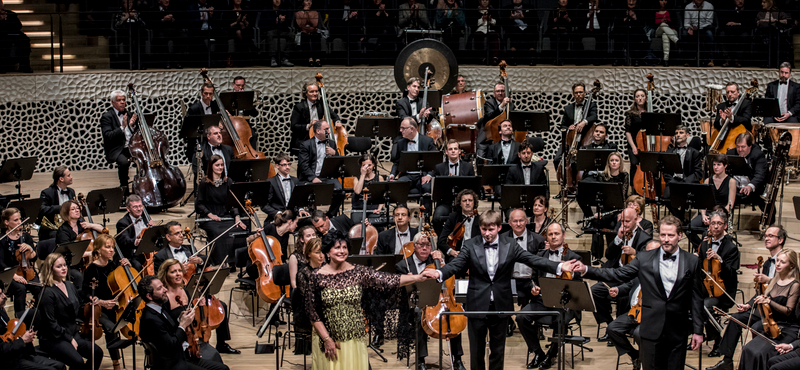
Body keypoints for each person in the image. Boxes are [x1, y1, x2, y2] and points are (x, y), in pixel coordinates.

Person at [421, 210, 576, 370]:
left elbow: (533, 259)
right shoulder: (470, 244)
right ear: (480, 227)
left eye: (491, 229)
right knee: (476, 352)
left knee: (497, 352)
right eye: (484, 229)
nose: (487, 234)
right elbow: (456, 265)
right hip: (477, 304)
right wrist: (439, 272)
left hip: (501, 305)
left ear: (499, 228)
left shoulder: (510, 244)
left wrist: (559, 266)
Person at [572, 216, 704, 370]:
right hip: (651, 329)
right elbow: (617, 274)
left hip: (677, 330)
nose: (666, 239)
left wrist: (698, 331)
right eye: (663, 235)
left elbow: (697, 298)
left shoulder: (692, 261)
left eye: (671, 235)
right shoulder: (644, 258)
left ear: (680, 236)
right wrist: (587, 269)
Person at [306, 237, 426, 369]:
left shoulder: (358, 272)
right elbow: (312, 313)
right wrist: (327, 339)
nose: (342, 251)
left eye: (344, 247)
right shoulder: (316, 277)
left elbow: (388, 279)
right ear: (327, 252)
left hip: (354, 339)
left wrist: (417, 277)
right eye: (337, 247)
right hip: (329, 338)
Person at [706, 248, 798, 370]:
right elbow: (764, 297)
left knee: (759, 352)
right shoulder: (775, 280)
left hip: (784, 328)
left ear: (791, 266)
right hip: (771, 325)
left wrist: (769, 301)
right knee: (748, 349)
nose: (778, 264)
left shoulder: (795, 285)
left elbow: (788, 311)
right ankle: (726, 360)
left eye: (783, 262)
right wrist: (752, 303)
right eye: (778, 261)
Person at [517, 222, 583, 369]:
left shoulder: (574, 257)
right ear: (546, 237)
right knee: (521, 317)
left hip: (565, 302)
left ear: (563, 235)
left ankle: (551, 355)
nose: (553, 237)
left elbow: (578, 286)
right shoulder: (540, 256)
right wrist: (533, 288)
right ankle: (538, 352)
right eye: (550, 234)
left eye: (557, 234)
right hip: (542, 299)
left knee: (561, 320)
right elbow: (531, 279)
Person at [395, 232, 465, 370]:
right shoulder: (403, 265)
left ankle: (457, 359)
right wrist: (410, 279)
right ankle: (421, 360)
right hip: (413, 304)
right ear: (414, 246)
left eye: (428, 245)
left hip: (438, 301)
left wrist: (442, 262)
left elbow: (447, 278)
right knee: (419, 313)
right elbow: (398, 291)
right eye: (421, 245)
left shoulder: (435, 262)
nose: (425, 248)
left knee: (453, 316)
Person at [137, 274, 229, 370]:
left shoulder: (160, 308)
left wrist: (180, 319)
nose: (165, 289)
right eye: (160, 288)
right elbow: (172, 344)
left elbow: (169, 330)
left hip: (182, 357)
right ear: (149, 296)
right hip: (171, 364)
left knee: (223, 368)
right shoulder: (150, 319)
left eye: (163, 286)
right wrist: (182, 325)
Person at [157, 258, 239, 357]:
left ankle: (220, 344)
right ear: (166, 274)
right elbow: (166, 326)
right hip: (179, 340)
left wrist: (199, 306)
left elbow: (190, 312)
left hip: (192, 336)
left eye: (179, 270)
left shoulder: (184, 291)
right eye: (173, 272)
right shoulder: (164, 298)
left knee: (215, 356)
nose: (178, 274)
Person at [37, 253, 104, 370]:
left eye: (64, 265)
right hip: (54, 338)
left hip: (72, 333)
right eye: (59, 266)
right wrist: (69, 338)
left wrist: (95, 304)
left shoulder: (69, 285)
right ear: (50, 269)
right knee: (78, 362)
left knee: (97, 353)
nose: (64, 268)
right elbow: (51, 324)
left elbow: (78, 309)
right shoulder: (47, 293)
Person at [604, 240, 662, 369]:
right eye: (648, 252)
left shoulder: (663, 272)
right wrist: (618, 290)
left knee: (638, 334)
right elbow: (631, 285)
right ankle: (635, 355)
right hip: (633, 311)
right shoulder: (640, 268)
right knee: (612, 329)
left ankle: (647, 362)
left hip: (651, 315)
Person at [81, 234, 132, 370]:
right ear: (98, 250)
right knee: (111, 328)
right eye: (107, 247)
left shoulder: (114, 265)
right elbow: (85, 293)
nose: (111, 250)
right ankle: (116, 363)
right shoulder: (92, 269)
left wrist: (127, 268)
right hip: (99, 309)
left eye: (113, 247)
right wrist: (101, 302)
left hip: (114, 305)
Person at [696, 208, 740, 357]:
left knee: (705, 306)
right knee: (688, 299)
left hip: (722, 291)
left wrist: (719, 260)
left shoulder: (731, 248)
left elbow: (731, 273)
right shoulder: (705, 241)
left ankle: (717, 341)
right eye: (713, 223)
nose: (715, 227)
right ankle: (696, 334)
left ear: (725, 226)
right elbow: (700, 265)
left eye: (719, 224)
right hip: (706, 285)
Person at [0, 282, 65, 370]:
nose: (4, 296)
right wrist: (22, 340)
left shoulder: (1, 312)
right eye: (0, 294)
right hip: (8, 362)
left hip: (18, 354)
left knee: (60, 366)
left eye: (3, 293)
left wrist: (23, 336)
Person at [196, 155, 247, 265]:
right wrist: (210, 214)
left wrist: (237, 217)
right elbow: (199, 204)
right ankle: (221, 263)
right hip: (209, 217)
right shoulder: (204, 183)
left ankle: (234, 261)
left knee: (238, 229)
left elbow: (233, 202)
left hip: (225, 215)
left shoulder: (228, 181)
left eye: (222, 165)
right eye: (217, 165)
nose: (220, 167)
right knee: (219, 232)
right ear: (211, 166)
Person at [579, 152, 629, 262]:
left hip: (618, 210)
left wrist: (622, 212)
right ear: (608, 163)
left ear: (620, 162)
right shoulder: (603, 176)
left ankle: (614, 255)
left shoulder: (624, 175)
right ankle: (597, 256)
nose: (614, 162)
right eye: (612, 160)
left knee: (617, 224)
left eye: (616, 160)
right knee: (596, 223)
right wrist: (599, 211)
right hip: (605, 210)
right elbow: (601, 196)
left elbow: (624, 196)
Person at [554, 82, 598, 197]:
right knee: (557, 159)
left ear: (584, 93)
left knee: (580, 162)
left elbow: (594, 117)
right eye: (576, 92)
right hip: (570, 141)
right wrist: (568, 128)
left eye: (581, 92)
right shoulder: (568, 108)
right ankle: (564, 187)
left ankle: (580, 189)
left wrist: (584, 122)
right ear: (573, 94)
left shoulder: (591, 105)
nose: (579, 94)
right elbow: (562, 125)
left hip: (584, 140)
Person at [297, 120, 346, 216]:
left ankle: (331, 214)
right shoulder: (306, 145)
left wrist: (334, 153)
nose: (329, 131)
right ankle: (312, 214)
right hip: (311, 176)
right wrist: (313, 178)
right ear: (318, 131)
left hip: (326, 176)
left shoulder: (331, 143)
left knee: (341, 191)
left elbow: (338, 163)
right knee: (310, 192)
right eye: (326, 129)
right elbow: (303, 166)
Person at [687, 154, 737, 249]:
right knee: (689, 228)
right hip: (709, 213)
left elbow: (729, 205)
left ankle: (707, 249)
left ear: (725, 166)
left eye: (719, 165)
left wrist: (715, 218)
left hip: (722, 214)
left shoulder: (731, 181)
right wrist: (703, 215)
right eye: (714, 165)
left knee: (709, 231)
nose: (716, 167)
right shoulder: (707, 180)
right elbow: (703, 202)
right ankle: (701, 248)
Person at [388, 117, 437, 210]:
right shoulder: (400, 143)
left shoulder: (427, 141)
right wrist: (392, 174)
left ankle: (426, 218)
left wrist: (429, 175)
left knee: (427, 187)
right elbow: (397, 162)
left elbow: (435, 162)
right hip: (407, 175)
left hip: (423, 175)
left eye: (403, 128)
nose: (400, 130)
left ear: (412, 129)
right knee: (399, 185)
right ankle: (403, 214)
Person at [1, 207, 41, 319]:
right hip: (9, 274)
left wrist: (31, 249)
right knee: (20, 288)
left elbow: (33, 258)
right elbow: (1, 264)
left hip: (27, 270)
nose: (19, 222)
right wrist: (14, 276)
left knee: (39, 288)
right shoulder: (2, 239)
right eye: (15, 220)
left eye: (20, 219)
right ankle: (20, 320)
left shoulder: (26, 236)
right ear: (6, 222)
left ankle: (37, 317)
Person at [503, 209, 546, 311]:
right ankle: (508, 322)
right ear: (509, 223)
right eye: (515, 221)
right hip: (510, 279)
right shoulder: (502, 239)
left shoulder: (539, 239)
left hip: (531, 280)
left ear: (526, 221)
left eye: (521, 220)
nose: (518, 224)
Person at [428, 139, 475, 229]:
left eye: (455, 148)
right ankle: (442, 240)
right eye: (450, 149)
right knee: (436, 218)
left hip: (463, 202)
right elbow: (437, 189)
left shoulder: (468, 167)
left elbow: (472, 187)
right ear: (446, 152)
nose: (453, 151)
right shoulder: (439, 167)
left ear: (459, 151)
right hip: (446, 202)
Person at [291, 237, 325, 355]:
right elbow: (309, 300)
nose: (321, 256)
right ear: (309, 254)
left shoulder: (328, 269)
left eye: (323, 252)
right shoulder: (303, 274)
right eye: (317, 252)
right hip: (308, 313)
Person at [100, 90, 137, 193]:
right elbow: (107, 136)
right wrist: (122, 127)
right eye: (119, 100)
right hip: (117, 149)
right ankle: (124, 189)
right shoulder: (107, 117)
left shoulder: (129, 114)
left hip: (130, 147)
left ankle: (140, 186)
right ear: (113, 102)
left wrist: (131, 126)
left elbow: (136, 134)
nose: (122, 102)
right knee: (124, 163)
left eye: (124, 100)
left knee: (144, 159)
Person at [663, 125, 704, 219]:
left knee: (684, 197)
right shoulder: (669, 152)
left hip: (688, 183)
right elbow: (666, 173)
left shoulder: (695, 153)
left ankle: (679, 220)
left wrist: (685, 182)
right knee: (666, 197)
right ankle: (681, 220)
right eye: (676, 133)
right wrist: (673, 182)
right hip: (673, 182)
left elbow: (698, 173)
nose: (678, 135)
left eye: (681, 133)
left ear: (687, 135)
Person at [289, 81, 343, 154]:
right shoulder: (299, 107)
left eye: (316, 91)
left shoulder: (322, 104)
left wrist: (338, 121)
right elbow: (294, 126)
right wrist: (309, 125)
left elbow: (334, 116)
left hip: (321, 137)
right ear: (306, 94)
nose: (315, 94)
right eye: (311, 92)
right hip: (304, 139)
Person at [726, 132, 769, 219]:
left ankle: (768, 226)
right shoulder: (730, 153)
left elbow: (760, 174)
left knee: (768, 204)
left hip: (753, 191)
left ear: (750, 146)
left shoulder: (758, 155)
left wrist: (750, 186)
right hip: (735, 189)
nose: (740, 149)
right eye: (738, 146)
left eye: (743, 147)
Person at [261, 152, 308, 222]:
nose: (288, 167)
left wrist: (301, 209)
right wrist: (277, 213)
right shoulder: (271, 182)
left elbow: (299, 200)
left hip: (293, 216)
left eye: (289, 164)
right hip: (278, 217)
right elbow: (264, 205)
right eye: (284, 165)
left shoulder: (295, 180)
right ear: (277, 166)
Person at [438, 189, 481, 263]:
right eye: (464, 201)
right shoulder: (453, 217)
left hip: (475, 255)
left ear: (474, 203)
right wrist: (452, 251)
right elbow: (441, 241)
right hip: (457, 254)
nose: (467, 203)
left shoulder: (480, 220)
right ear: (460, 203)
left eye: (470, 200)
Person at [183, 83, 220, 164]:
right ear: (201, 93)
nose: (208, 96)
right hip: (199, 140)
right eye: (205, 93)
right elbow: (189, 130)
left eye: (210, 94)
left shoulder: (215, 106)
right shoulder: (194, 108)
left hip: (213, 140)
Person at [115, 194, 154, 269]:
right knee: (137, 265)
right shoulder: (123, 223)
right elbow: (124, 240)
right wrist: (136, 242)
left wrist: (154, 229)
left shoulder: (145, 217)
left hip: (147, 252)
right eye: (135, 207)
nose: (139, 209)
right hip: (133, 254)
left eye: (140, 206)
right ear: (128, 209)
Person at [37, 166, 76, 240]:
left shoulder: (71, 191)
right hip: (52, 228)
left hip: (68, 225)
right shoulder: (47, 192)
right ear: (61, 179)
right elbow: (42, 209)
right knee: (58, 236)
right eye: (68, 175)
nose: (71, 177)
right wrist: (61, 208)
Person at [146, 0, 188, 69]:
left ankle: (176, 60)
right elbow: (151, 24)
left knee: (184, 37)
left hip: (174, 30)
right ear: (159, 1)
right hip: (161, 30)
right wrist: (163, 20)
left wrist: (173, 19)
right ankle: (166, 61)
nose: (167, 0)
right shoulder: (153, 10)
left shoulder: (173, 8)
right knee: (161, 38)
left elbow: (181, 21)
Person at [754, 0, 792, 68]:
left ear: (769, 3)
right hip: (763, 35)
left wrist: (777, 21)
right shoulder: (760, 13)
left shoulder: (778, 12)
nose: (762, 4)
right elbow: (758, 23)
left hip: (776, 34)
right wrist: (768, 22)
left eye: (764, 2)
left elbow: (787, 20)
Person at [478, 82, 512, 158]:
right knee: (482, 154)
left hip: (504, 134)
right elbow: (490, 116)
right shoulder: (489, 103)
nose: (500, 93)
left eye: (502, 91)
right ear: (494, 93)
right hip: (489, 135)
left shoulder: (510, 104)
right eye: (498, 91)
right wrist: (502, 105)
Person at [612, 0, 649, 67]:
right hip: (623, 32)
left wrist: (634, 18)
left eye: (633, 0)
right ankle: (618, 59)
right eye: (629, 0)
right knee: (618, 35)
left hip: (635, 33)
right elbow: (617, 25)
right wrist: (625, 19)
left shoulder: (640, 11)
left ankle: (636, 59)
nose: (631, 3)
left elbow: (642, 26)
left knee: (636, 35)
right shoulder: (621, 11)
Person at [351, 153, 384, 225]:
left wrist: (379, 209)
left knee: (376, 223)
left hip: (374, 209)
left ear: (373, 165)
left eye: (369, 165)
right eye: (364, 165)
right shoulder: (356, 179)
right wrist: (362, 175)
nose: (367, 168)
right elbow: (357, 191)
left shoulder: (379, 178)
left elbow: (382, 197)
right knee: (357, 223)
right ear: (361, 166)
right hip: (359, 209)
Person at [0, 0, 32, 73]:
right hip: (2, 36)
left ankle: (24, 66)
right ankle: (3, 67)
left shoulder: (10, 14)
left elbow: (18, 26)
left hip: (12, 35)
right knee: (4, 42)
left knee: (24, 40)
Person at [681, 0, 716, 67]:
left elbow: (709, 22)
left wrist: (699, 28)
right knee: (685, 34)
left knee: (709, 34)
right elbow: (686, 23)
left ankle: (710, 59)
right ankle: (688, 60)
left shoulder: (709, 6)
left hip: (704, 28)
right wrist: (690, 28)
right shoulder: (688, 7)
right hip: (692, 28)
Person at [219, 0, 253, 66]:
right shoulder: (228, 10)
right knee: (239, 32)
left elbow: (249, 24)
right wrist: (236, 22)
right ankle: (248, 54)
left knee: (242, 31)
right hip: (231, 31)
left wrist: (245, 21)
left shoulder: (245, 10)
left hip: (244, 31)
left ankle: (243, 57)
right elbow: (226, 25)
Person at [717, 0, 751, 68]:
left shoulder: (747, 11)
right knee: (722, 34)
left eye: (742, 0)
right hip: (729, 30)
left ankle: (737, 59)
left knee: (745, 36)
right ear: (734, 1)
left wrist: (737, 23)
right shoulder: (729, 10)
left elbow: (749, 23)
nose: (740, 2)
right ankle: (727, 58)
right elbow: (724, 22)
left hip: (742, 30)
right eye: (738, 0)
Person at [623, 89, 647, 185]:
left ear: (646, 98)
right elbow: (627, 132)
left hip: (647, 143)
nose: (640, 98)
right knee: (634, 164)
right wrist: (633, 146)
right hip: (633, 143)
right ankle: (633, 189)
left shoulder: (650, 112)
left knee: (647, 166)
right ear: (634, 99)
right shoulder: (630, 114)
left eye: (642, 96)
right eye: (637, 96)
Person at [261, 0, 294, 68]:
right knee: (269, 34)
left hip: (282, 30)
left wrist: (283, 21)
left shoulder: (284, 10)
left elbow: (288, 24)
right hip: (271, 30)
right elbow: (264, 25)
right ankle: (272, 58)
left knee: (291, 35)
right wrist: (275, 22)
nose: (277, 0)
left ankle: (285, 58)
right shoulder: (267, 11)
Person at [503, 0, 536, 66]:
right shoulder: (507, 8)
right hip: (513, 28)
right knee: (515, 31)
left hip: (527, 28)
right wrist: (510, 18)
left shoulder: (529, 7)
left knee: (530, 32)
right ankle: (513, 58)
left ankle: (532, 58)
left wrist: (524, 17)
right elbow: (503, 23)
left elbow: (535, 20)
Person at [229, 76, 258, 146]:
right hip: (233, 126)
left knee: (253, 135)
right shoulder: (229, 98)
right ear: (233, 85)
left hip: (245, 126)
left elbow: (255, 113)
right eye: (238, 85)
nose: (240, 87)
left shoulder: (246, 98)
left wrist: (245, 100)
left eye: (242, 85)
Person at [295, 0, 324, 67]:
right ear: (302, 3)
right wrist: (305, 12)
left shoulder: (315, 12)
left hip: (313, 31)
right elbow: (301, 25)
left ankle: (317, 59)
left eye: (310, 1)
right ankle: (309, 59)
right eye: (307, 0)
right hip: (303, 32)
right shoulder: (298, 13)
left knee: (316, 35)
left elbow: (314, 24)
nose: (309, 3)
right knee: (304, 35)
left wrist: (308, 14)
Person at [471, 1, 499, 65]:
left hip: (490, 29)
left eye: (486, 0)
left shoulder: (493, 10)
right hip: (480, 29)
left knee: (494, 35)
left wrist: (490, 20)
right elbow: (472, 22)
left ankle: (494, 58)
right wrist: (482, 19)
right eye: (483, 0)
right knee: (478, 35)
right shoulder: (475, 11)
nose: (485, 1)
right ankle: (481, 58)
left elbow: (497, 22)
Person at [548, 0, 575, 66]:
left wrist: (567, 19)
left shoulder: (570, 10)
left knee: (564, 37)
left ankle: (562, 59)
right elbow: (549, 23)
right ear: (558, 2)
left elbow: (574, 23)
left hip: (565, 30)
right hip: (555, 30)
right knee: (554, 36)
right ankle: (555, 59)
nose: (563, 1)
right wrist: (556, 18)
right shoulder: (554, 10)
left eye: (565, 0)